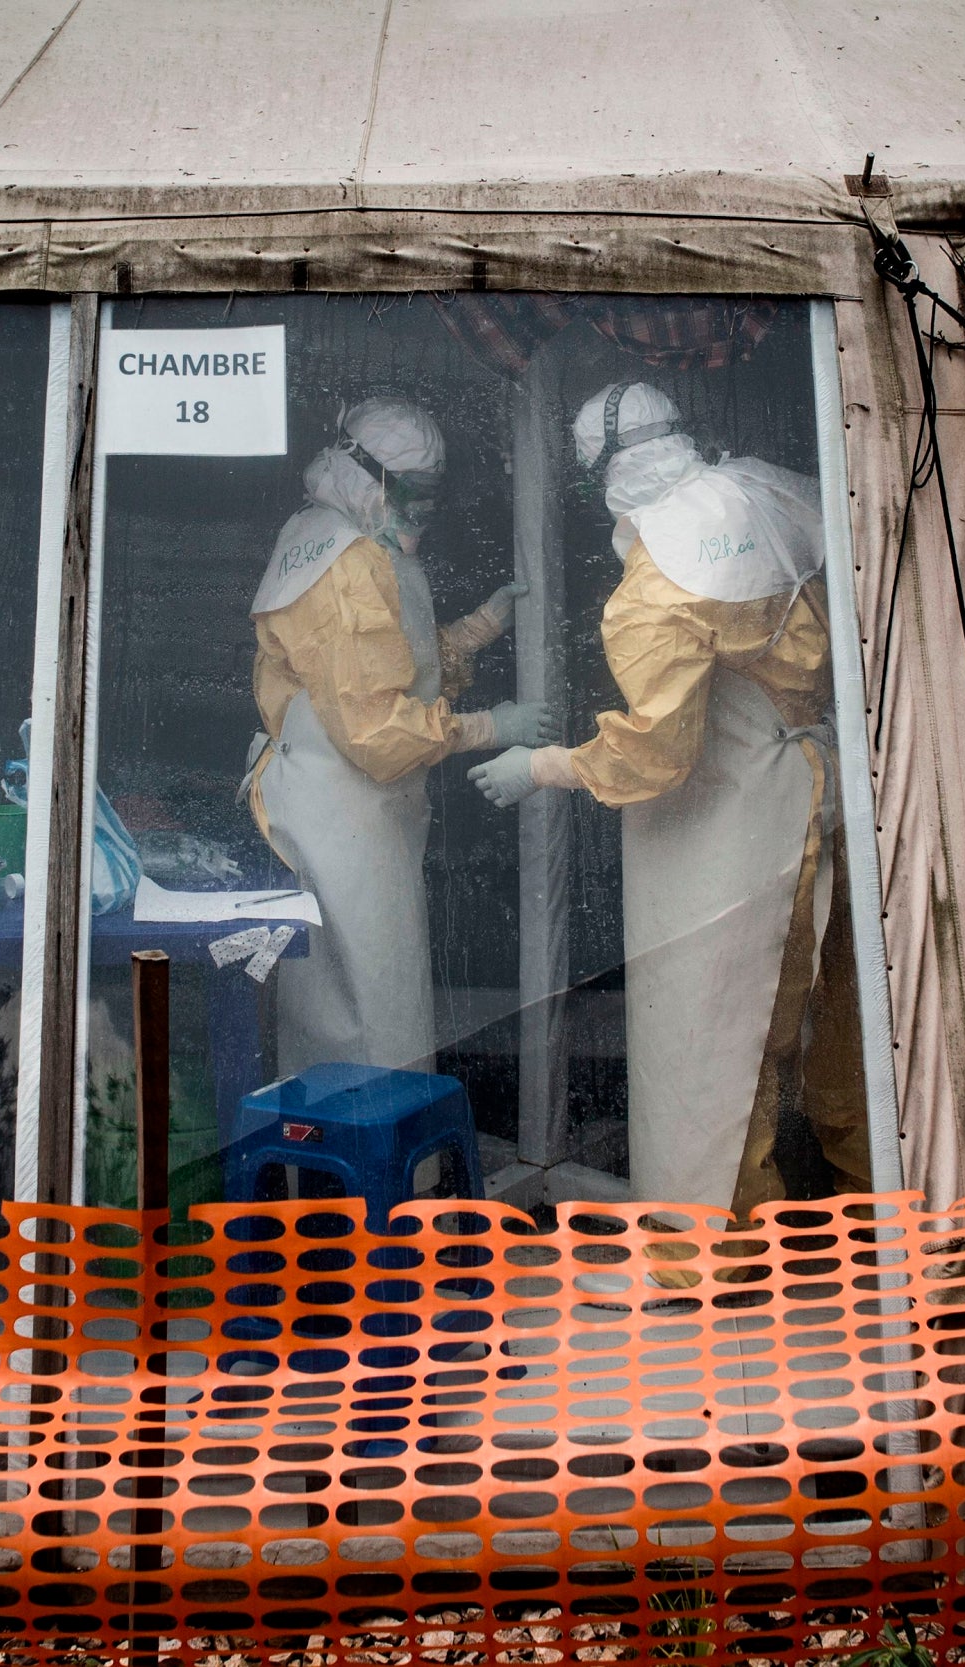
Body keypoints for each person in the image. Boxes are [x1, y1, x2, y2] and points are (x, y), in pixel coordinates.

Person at [468, 382, 871, 1213]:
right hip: (825, 794)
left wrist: (542, 764)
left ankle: (709, 1254)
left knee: (715, 1043)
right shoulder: (764, 486)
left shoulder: (656, 585)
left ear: (601, 479)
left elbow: (655, 754)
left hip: (736, 830)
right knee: (842, 1033)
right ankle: (887, 1219)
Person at [247, 396, 548, 1076]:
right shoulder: (345, 564)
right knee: (372, 1019)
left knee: (349, 1007)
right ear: (369, 477)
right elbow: (378, 728)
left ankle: (347, 1170)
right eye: (413, 493)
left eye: (432, 493)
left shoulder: (342, 535)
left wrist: (476, 630)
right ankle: (375, 1178)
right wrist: (489, 727)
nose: (424, 510)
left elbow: (384, 664)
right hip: (343, 816)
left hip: (350, 814)